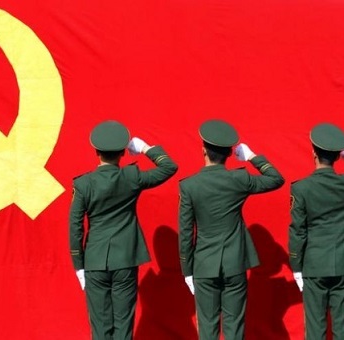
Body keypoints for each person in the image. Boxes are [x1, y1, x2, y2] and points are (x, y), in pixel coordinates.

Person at [69, 120, 177, 340]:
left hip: (95, 260)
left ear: (96, 152)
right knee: (123, 324)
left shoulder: (84, 184)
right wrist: (145, 148)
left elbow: (75, 226)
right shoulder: (131, 177)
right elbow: (169, 167)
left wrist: (78, 265)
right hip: (125, 258)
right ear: (123, 153)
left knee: (100, 326)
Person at [178, 119, 284, 340]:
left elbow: (186, 232)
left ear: (203, 151)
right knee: (235, 326)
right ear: (229, 154)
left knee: (207, 326)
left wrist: (187, 270)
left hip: (204, 264)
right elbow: (276, 179)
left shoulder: (189, 186)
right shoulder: (239, 179)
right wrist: (252, 156)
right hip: (234, 262)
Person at [288, 123, 344, 340]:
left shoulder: (302, 188)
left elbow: (298, 230)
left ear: (313, 154)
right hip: (341, 262)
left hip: (314, 264)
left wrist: (296, 265)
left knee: (315, 328)